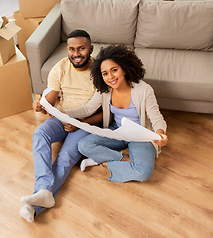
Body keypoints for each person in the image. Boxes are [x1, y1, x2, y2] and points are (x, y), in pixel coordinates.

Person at [20, 29, 102, 222]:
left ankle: (33, 207)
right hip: (61, 117)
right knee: (39, 134)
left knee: (65, 157)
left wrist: (79, 123)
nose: (76, 53)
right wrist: (41, 106)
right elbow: (49, 102)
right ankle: (43, 190)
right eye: (71, 49)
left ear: (91, 49)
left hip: (84, 124)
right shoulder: (60, 67)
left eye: (81, 48)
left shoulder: (100, 71)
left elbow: (105, 113)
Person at [65, 45, 168, 183]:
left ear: (124, 69)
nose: (110, 77)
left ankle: (103, 162)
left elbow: (157, 119)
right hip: (117, 131)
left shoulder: (144, 90)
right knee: (83, 145)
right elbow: (88, 109)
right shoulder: (104, 89)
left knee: (143, 172)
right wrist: (64, 113)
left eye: (114, 70)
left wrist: (160, 133)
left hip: (140, 135)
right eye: (105, 73)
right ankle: (125, 161)